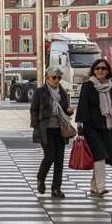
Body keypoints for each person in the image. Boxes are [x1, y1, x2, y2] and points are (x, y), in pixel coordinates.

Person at [76, 59, 112, 196]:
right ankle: (101, 186)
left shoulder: (111, 87)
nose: (100, 71)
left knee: (99, 156)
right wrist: (80, 125)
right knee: (100, 154)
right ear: (93, 71)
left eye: (103, 68)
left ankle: (94, 185)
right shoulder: (88, 86)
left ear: (108, 71)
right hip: (91, 126)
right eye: (97, 69)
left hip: (106, 125)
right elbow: (83, 105)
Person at [30, 67, 74, 198]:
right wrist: (35, 124)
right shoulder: (40, 92)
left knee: (59, 159)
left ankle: (56, 189)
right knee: (50, 156)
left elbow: (65, 109)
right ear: (47, 78)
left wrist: (69, 110)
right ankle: (40, 178)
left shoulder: (62, 93)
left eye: (59, 78)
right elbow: (34, 109)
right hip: (45, 129)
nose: (56, 80)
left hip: (60, 129)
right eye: (54, 77)